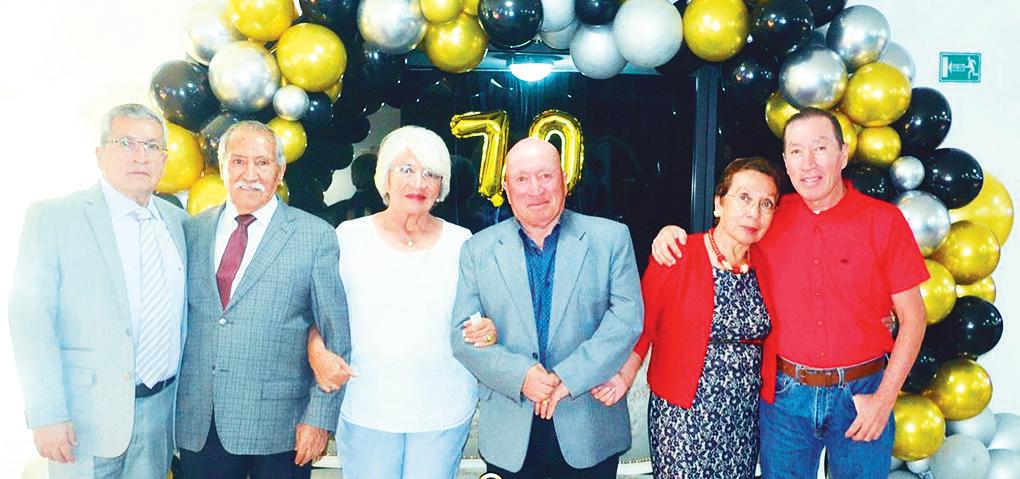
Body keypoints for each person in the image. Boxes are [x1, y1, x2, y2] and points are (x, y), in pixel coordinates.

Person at [651, 108, 928, 478]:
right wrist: (671, 235)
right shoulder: (770, 217)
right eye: (796, 151)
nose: (808, 163)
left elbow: (914, 318)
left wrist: (884, 400)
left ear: (843, 155)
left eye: (820, 148)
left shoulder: (884, 221)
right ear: (785, 161)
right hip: (785, 401)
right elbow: (723, 242)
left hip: (861, 394)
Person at [305, 125, 498, 479]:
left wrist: (488, 331)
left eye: (431, 174)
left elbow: (480, 318)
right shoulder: (349, 238)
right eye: (406, 170)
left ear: (441, 186)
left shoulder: (462, 242)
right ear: (385, 178)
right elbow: (318, 313)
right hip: (366, 406)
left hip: (443, 409)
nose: (418, 183)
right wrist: (316, 351)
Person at [9, 103, 186, 478]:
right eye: (126, 143)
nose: (140, 156)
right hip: (82, 421)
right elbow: (30, 322)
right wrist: (46, 414)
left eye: (152, 146)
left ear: (164, 159)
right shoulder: (54, 217)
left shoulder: (179, 223)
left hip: (159, 418)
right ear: (100, 153)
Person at [450, 137, 644, 478]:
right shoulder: (477, 250)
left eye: (545, 175)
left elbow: (626, 320)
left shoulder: (611, 239)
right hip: (511, 428)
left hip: (589, 422)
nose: (535, 189)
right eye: (522, 178)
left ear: (564, 181)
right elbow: (462, 336)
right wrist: (521, 375)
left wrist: (568, 378)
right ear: (507, 189)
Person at [175, 121, 350, 479]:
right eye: (238, 161)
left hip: (280, 429)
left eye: (263, 163)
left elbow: (335, 337)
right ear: (222, 166)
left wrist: (319, 418)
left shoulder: (314, 236)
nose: (250, 174)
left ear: (280, 171)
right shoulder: (191, 231)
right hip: (199, 425)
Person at [590, 157, 783, 477]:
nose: (754, 213)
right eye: (744, 198)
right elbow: (643, 324)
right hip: (683, 415)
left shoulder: (766, 263)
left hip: (742, 419)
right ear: (718, 203)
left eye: (766, 204)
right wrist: (623, 375)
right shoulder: (678, 254)